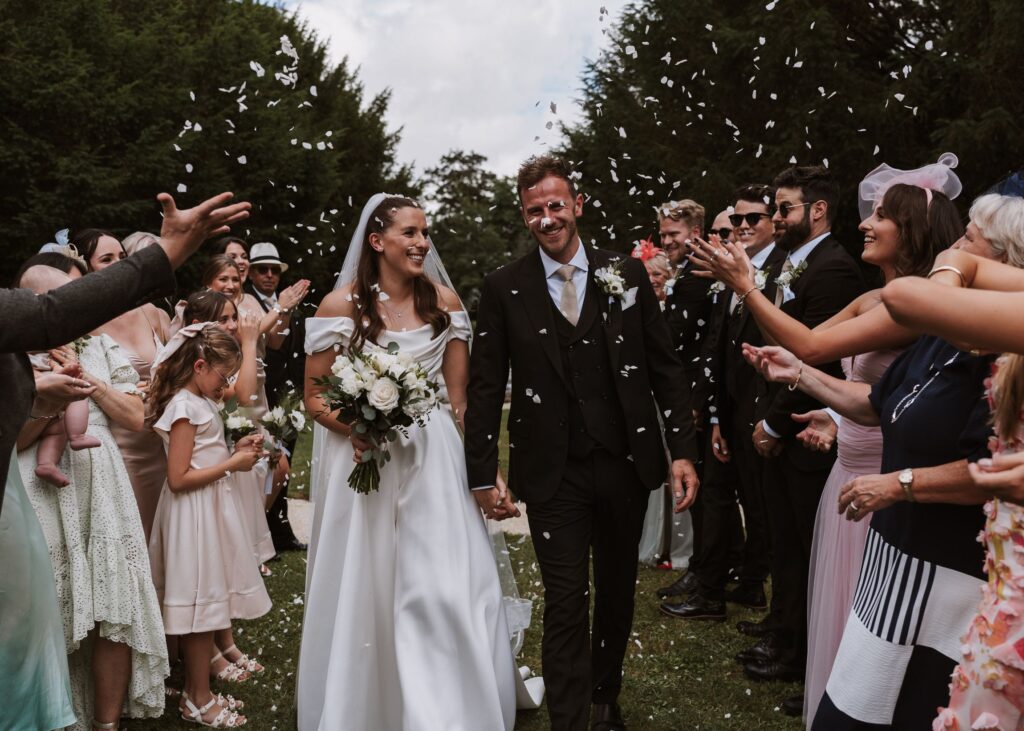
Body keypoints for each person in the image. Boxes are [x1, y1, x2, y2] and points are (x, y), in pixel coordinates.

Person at [692, 157, 964, 722]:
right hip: (849, 462)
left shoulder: (916, 303)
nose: (864, 222)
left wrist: (746, 288)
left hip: (884, 474)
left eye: (881, 216)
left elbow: (814, 349)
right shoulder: (874, 297)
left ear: (911, 230)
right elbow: (813, 343)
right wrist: (799, 376)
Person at [465, 155, 700, 731]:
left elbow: (665, 367)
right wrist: (480, 471)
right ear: (525, 218)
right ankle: (568, 720)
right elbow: (485, 382)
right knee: (566, 598)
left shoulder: (626, 272)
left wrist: (684, 449)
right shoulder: (504, 287)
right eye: (534, 211)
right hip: (552, 472)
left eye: (555, 206)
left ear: (577, 205)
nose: (547, 219)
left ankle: (604, 697)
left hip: (624, 462)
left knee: (617, 591)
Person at [299, 194, 522, 730]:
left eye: (425, 232)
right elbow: (314, 397)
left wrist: (486, 471)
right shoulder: (338, 307)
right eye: (410, 232)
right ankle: (368, 704)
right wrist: (360, 427)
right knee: (367, 582)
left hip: (434, 461)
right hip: (365, 465)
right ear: (377, 242)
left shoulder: (444, 304)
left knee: (442, 582)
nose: (423, 242)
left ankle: (446, 704)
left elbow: (460, 402)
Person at [17, 264, 170, 729]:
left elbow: (136, 417)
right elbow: (16, 441)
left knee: (115, 606)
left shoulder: (101, 346)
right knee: (45, 611)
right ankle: (51, 716)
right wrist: (50, 401)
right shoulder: (15, 358)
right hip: (39, 491)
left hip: (100, 484)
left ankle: (106, 724)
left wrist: (90, 381)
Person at [662, 188, 783, 625]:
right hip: (723, 408)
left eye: (744, 222)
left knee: (732, 498)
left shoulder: (743, 277)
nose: (734, 232)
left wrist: (701, 404)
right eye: (733, 225)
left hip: (752, 407)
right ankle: (726, 578)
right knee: (723, 495)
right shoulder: (723, 279)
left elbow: (702, 347)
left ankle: (727, 582)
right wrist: (713, 412)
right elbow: (717, 347)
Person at [147, 323, 270, 727]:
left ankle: (201, 691)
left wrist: (233, 450)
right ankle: (196, 698)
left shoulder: (202, 403)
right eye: (223, 376)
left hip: (206, 509)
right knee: (201, 612)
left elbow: (203, 456)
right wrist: (232, 465)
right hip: (191, 515)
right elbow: (178, 477)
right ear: (200, 366)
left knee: (209, 608)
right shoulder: (184, 407)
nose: (227, 385)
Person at [74, 230, 173, 539]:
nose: (119, 265)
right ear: (86, 268)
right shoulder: (82, 323)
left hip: (159, 439)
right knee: (128, 534)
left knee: (164, 531)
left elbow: (173, 369)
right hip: (117, 444)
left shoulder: (151, 312)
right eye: (107, 259)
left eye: (122, 258)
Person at [653, 198, 715, 602]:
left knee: (708, 493)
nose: (666, 241)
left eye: (672, 234)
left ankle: (707, 572)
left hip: (697, 394)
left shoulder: (699, 274)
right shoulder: (685, 271)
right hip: (689, 392)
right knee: (706, 492)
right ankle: (703, 567)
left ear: (694, 233)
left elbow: (686, 339)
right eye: (663, 235)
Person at [242, 241, 311, 553]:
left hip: (286, 393)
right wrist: (280, 308)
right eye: (262, 269)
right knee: (267, 464)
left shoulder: (288, 303)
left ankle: (280, 531)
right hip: (257, 393)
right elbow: (268, 345)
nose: (269, 275)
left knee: (285, 460)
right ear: (251, 273)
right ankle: (262, 533)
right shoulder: (248, 304)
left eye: (274, 269)